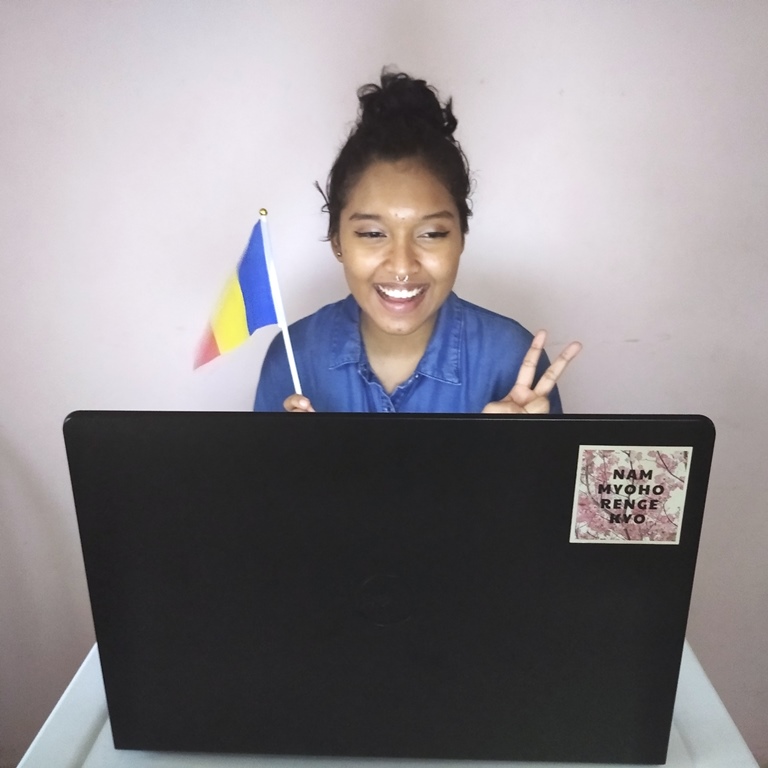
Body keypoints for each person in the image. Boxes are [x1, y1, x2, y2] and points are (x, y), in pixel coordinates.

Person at [254, 70, 581, 413]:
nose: (402, 266)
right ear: (337, 240)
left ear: (461, 237)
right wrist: (291, 448)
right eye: (372, 234)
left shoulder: (512, 360)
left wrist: (513, 445)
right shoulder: (293, 356)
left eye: (431, 234)